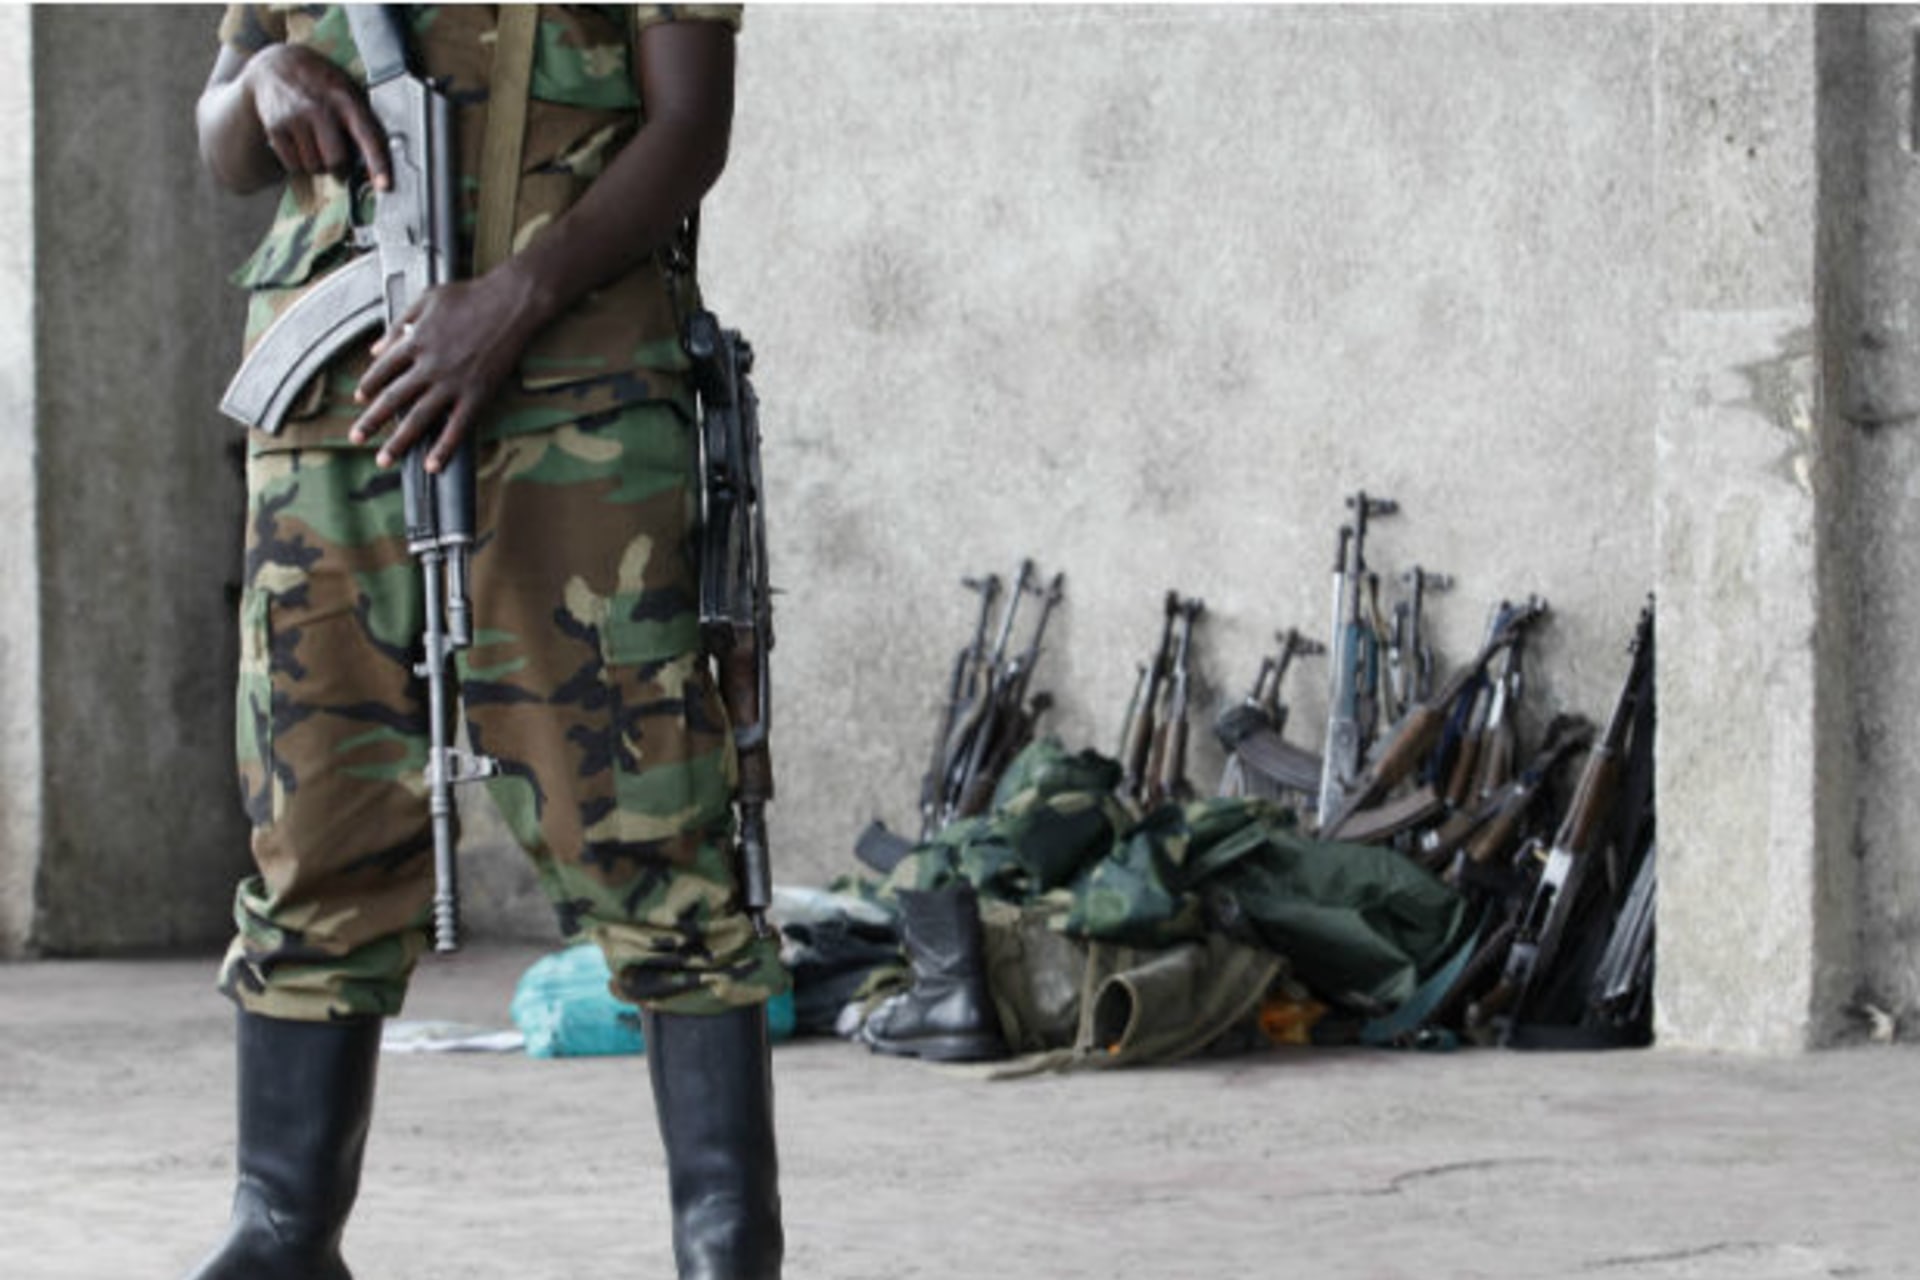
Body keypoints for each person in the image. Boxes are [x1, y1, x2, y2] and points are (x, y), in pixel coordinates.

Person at [187, 6, 788, 1279]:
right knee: (315, 824)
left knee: (647, 818)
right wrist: (267, 90)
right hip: (331, 405)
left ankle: (723, 1241)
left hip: (573, 398)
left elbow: (690, 127)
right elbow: (223, 132)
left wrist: (513, 296)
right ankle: (283, 1229)